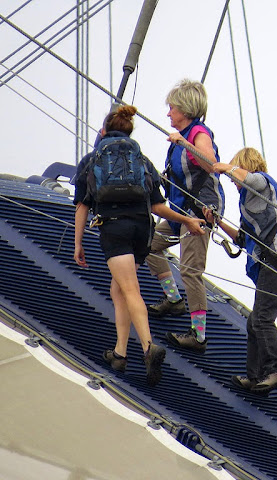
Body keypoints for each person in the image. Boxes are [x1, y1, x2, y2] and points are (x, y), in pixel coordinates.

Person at [73, 104, 205, 386]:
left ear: (104, 131)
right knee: (118, 287)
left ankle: (148, 346)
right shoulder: (141, 160)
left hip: (115, 228)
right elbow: (158, 205)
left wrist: (78, 243)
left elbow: (82, 206)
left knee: (129, 289)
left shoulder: (92, 159)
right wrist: (188, 221)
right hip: (142, 229)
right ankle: (120, 353)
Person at [203, 147, 277, 396]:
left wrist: (226, 167)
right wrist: (218, 222)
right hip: (275, 258)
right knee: (254, 322)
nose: (233, 183)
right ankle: (255, 376)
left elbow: (253, 178)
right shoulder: (248, 199)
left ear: (244, 167)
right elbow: (243, 238)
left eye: (235, 175)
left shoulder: (263, 184)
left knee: (262, 319)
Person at [145, 79, 225, 353]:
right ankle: (173, 298)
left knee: (191, 270)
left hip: (198, 211)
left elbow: (210, 164)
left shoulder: (198, 134)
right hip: (181, 210)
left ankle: (199, 336)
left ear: (185, 109)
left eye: (172, 108)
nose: (168, 113)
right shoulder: (182, 137)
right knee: (148, 245)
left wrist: (186, 144)